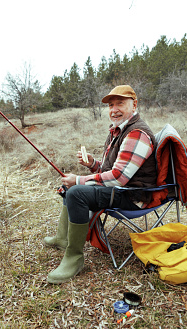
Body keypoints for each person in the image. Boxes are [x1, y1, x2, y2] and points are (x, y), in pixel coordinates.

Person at [43, 85, 158, 284]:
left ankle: (74, 258)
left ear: (134, 104)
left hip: (133, 196)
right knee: (73, 188)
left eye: (120, 103)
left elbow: (118, 177)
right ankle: (63, 238)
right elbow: (111, 170)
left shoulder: (137, 133)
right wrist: (93, 164)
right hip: (121, 189)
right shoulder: (118, 130)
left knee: (76, 192)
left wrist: (79, 180)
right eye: (111, 105)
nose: (114, 109)